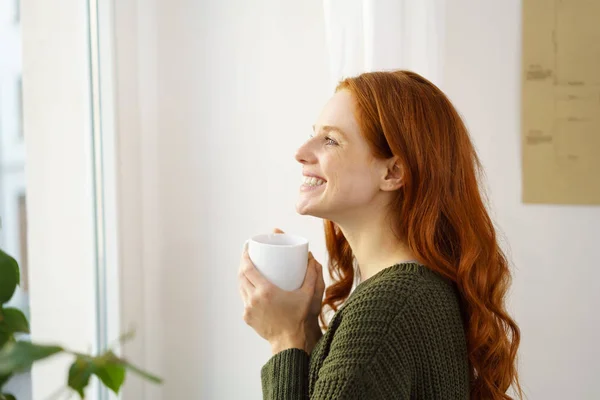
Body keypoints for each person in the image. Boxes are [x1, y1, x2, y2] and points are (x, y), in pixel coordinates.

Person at [238, 70, 523, 399]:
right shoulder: (412, 292)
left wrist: (283, 339)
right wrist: (305, 329)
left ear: (392, 172)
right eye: (314, 134)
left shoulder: (386, 309)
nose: (301, 152)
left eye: (330, 140)